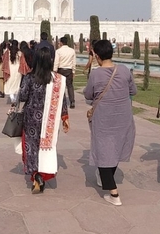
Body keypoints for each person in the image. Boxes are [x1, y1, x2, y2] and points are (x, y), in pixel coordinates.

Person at [84, 39, 136, 206]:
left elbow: (88, 95)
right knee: (114, 148)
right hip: (123, 116)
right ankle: (105, 177)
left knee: (104, 149)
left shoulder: (96, 74)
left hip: (104, 117)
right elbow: (133, 91)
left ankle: (114, 194)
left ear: (97, 56)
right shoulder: (124, 70)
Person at [16, 47, 70, 193]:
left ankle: (36, 176)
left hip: (31, 119)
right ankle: (42, 174)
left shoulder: (30, 77)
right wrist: (64, 117)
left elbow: (22, 96)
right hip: (49, 122)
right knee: (46, 148)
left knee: (32, 148)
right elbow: (62, 100)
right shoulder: (57, 80)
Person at [53, 35, 76, 108]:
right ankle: (72, 101)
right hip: (69, 70)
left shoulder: (58, 51)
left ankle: (61, 102)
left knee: (60, 86)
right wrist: (73, 71)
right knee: (70, 86)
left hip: (61, 70)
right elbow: (74, 62)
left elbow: (56, 62)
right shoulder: (72, 50)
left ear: (61, 43)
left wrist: (54, 71)